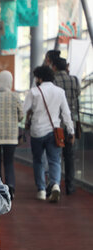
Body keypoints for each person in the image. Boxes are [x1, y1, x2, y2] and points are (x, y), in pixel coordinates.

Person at [23, 66, 74, 202]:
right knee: (54, 160)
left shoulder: (34, 92)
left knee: (38, 160)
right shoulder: (59, 92)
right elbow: (66, 113)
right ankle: (55, 184)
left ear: (39, 78)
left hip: (37, 132)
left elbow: (23, 110)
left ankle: (41, 190)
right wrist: (71, 130)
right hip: (54, 131)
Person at [0, 70, 23, 200]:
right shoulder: (15, 96)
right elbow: (21, 115)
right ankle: (11, 187)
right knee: (9, 162)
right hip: (11, 137)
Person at [51, 57, 80, 195]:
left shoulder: (53, 81)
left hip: (57, 126)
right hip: (70, 124)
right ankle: (70, 186)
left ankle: (54, 184)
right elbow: (77, 94)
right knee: (69, 156)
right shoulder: (74, 80)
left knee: (54, 157)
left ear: (54, 67)